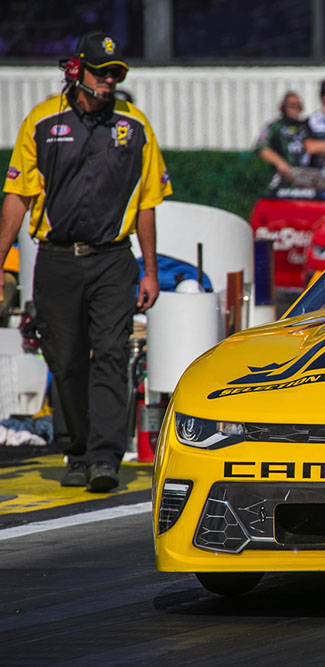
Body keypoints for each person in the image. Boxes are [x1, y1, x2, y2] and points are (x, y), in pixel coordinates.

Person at [0, 31, 172, 492]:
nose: (110, 80)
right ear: (76, 71)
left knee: (113, 355)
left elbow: (148, 204)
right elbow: (17, 195)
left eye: (116, 73)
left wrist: (151, 271)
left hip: (114, 260)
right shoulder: (42, 121)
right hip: (57, 260)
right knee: (67, 358)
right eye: (101, 72)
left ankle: (103, 457)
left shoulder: (135, 126)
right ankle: (76, 449)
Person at [253, 91, 310, 188]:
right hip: (283, 176)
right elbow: (261, 148)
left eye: (298, 105)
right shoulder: (275, 127)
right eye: (291, 105)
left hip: (306, 176)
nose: (295, 108)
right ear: (283, 107)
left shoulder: (306, 126)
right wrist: (280, 163)